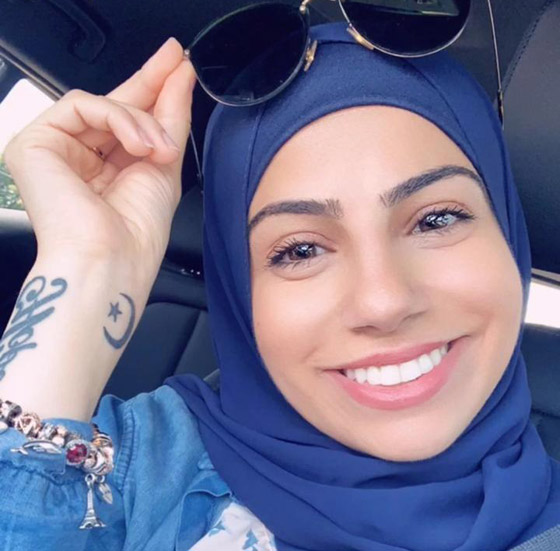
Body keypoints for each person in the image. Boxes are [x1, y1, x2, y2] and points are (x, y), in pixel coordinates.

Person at [0, 21, 559, 551]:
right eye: (301, 250)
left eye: (435, 220)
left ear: (507, 232)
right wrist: (87, 261)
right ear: (238, 288)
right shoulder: (119, 478)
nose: (384, 301)